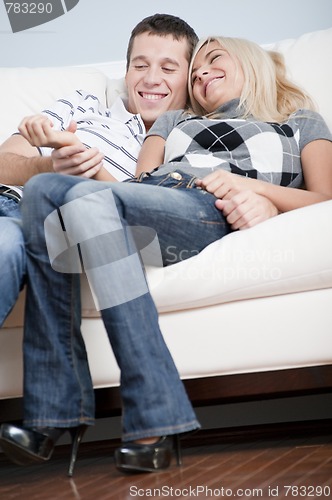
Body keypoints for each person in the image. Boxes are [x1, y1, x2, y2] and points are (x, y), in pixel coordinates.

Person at [3, 33, 331, 477]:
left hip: (205, 206)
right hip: (154, 198)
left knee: (79, 201)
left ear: (251, 63)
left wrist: (256, 191)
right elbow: (131, 190)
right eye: (195, 72)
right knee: (44, 188)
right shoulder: (173, 119)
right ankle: (63, 411)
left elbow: (325, 197)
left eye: (214, 61)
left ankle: (130, 410)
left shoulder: (300, 122)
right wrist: (72, 156)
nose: (201, 74)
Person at [0, 13, 199, 327]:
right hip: (6, 200)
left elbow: (146, 216)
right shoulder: (84, 105)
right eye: (140, 65)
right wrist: (48, 165)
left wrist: (87, 170)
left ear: (189, 77)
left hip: (42, 228)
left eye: (168, 68)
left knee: (5, 244)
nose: (150, 78)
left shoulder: (181, 141)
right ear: (126, 70)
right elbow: (2, 163)